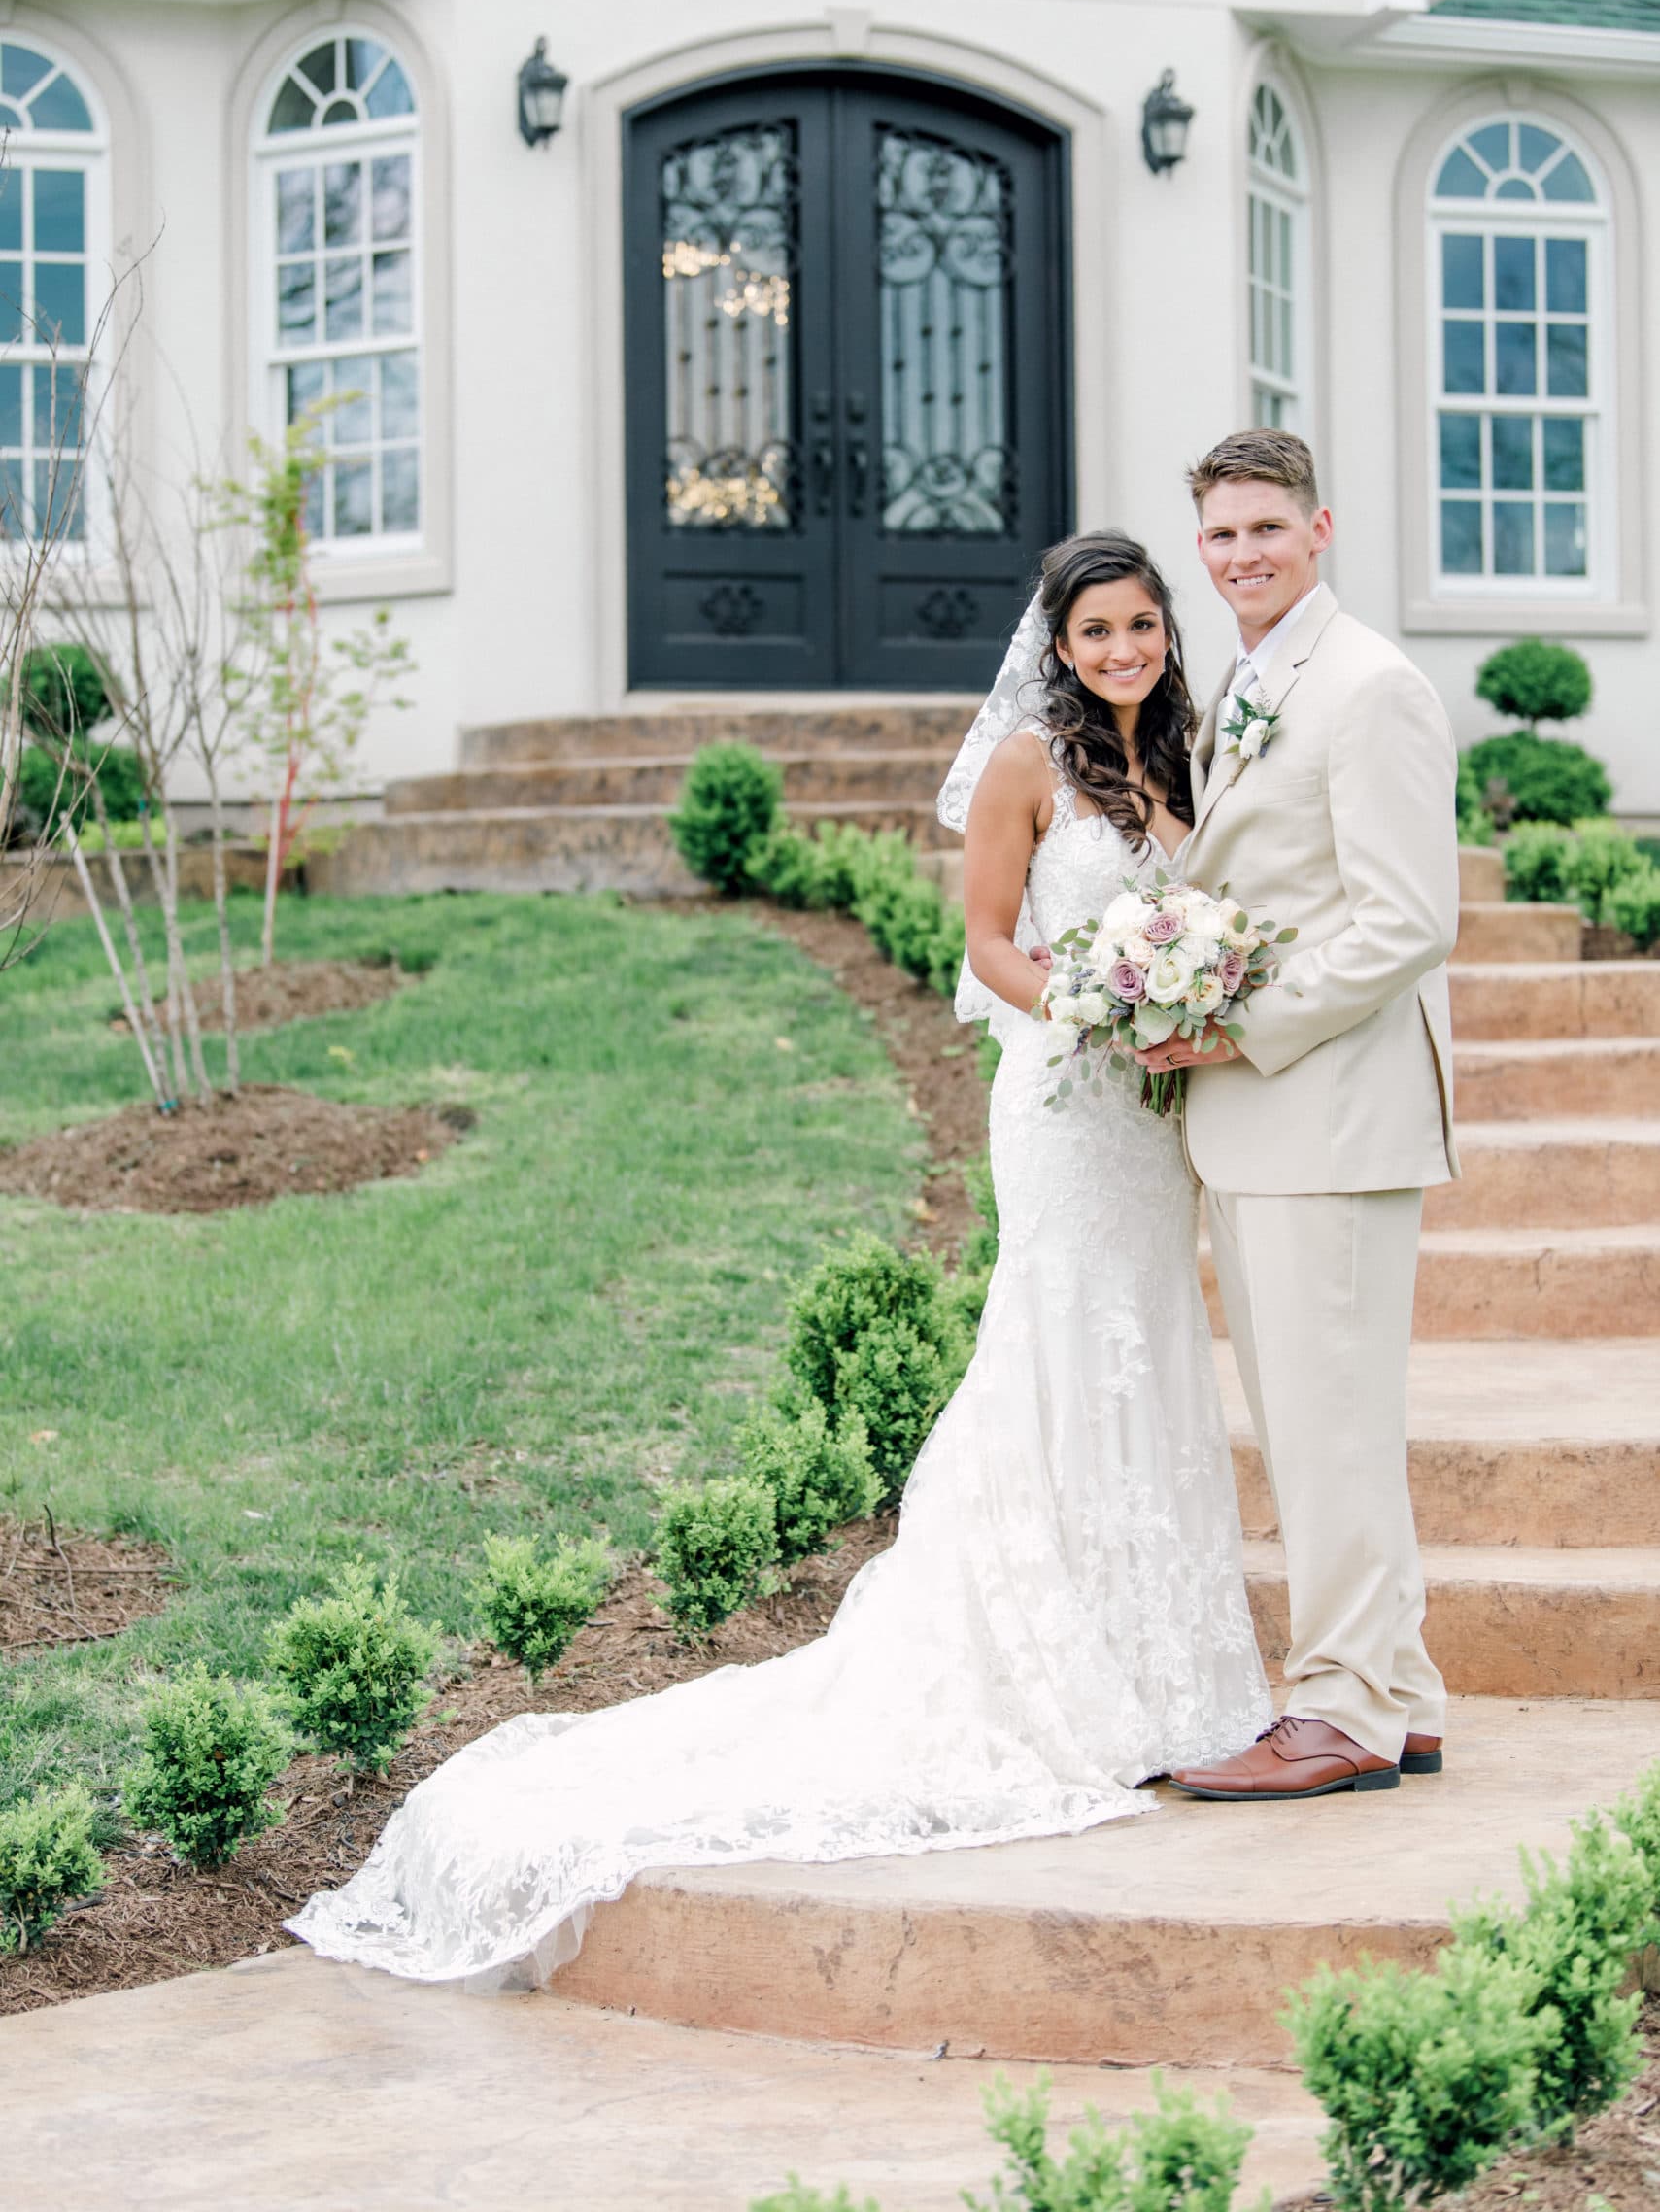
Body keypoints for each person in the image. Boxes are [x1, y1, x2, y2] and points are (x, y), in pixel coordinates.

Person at [287, 529, 1270, 1991]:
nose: (1120, 650)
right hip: (1067, 1102)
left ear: (1162, 636)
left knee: (1142, 1346)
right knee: (1060, 1343)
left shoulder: (1184, 760)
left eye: (1139, 628)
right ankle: (1052, 1662)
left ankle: (1161, 1658)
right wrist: (1102, 1004)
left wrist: (1184, 1003)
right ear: (1057, 647)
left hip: (1152, 1123)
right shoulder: (1023, 767)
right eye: (1095, 633)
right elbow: (990, 945)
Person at [1140, 429, 1458, 1802]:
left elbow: (1405, 921)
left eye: (1265, 529)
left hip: (1326, 1112)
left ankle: (1337, 1711)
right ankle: (1403, 1690)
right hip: (1270, 1127)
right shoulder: (1249, 680)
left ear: (1318, 531)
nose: (1241, 555)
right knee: (1316, 1421)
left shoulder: (1369, 687)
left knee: (1326, 1427)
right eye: (1218, 537)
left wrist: (1236, 1025)